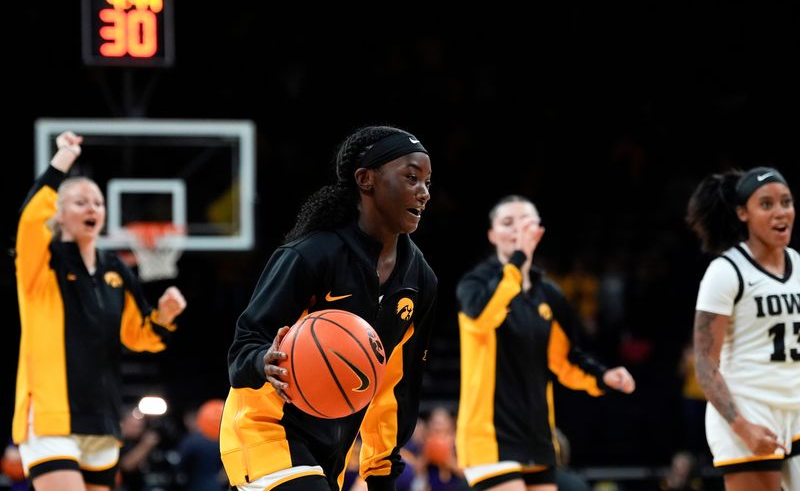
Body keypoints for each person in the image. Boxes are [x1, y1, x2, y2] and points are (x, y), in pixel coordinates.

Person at [220, 126, 437, 490]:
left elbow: (394, 388)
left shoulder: (421, 280)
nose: (424, 193)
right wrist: (263, 360)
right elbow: (244, 347)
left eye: (428, 182)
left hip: (330, 455)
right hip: (266, 432)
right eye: (412, 178)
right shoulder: (310, 255)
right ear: (366, 179)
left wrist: (381, 472)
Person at [12, 131, 187, 491]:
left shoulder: (115, 270)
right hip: (50, 418)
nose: (92, 208)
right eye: (80, 202)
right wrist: (64, 159)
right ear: (58, 214)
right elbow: (30, 219)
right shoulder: (41, 263)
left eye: (98, 202)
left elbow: (140, 337)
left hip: (103, 420)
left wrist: (165, 316)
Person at [455, 195, 635, 491]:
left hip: (537, 435)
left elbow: (565, 359)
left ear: (538, 230)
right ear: (492, 234)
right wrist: (518, 261)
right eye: (507, 222)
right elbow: (482, 318)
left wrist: (603, 376)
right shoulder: (474, 283)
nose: (516, 230)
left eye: (524, 222)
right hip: (488, 434)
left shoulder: (549, 294)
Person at [686, 166, 799, 491]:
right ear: (742, 213)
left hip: (795, 405)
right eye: (766, 204)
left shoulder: (798, 265)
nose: (780, 213)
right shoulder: (726, 272)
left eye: (786, 202)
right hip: (749, 408)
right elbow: (705, 363)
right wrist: (741, 426)